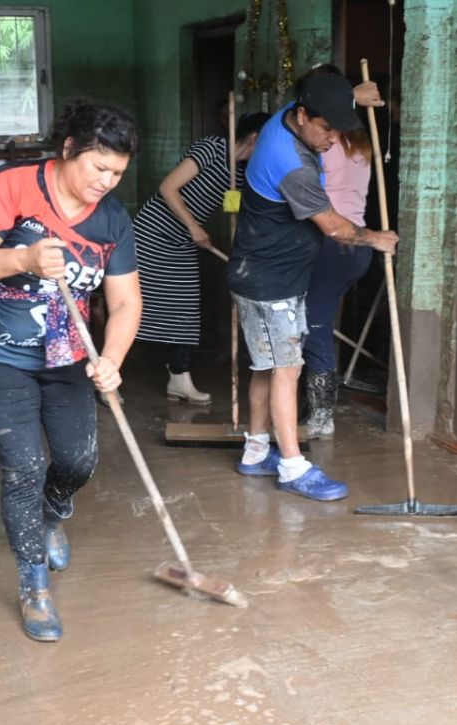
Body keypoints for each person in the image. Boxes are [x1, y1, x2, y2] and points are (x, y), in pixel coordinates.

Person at [0, 100, 141, 643]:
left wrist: (112, 359)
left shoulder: (111, 220)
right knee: (24, 464)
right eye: (97, 168)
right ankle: (35, 584)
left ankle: (52, 512)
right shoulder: (12, 188)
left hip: (67, 357)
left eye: (117, 173)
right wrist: (23, 260)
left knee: (78, 459)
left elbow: (126, 302)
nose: (105, 181)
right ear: (68, 151)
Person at [228, 70, 398, 501]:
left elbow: (315, 101)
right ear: (303, 116)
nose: (330, 139)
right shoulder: (291, 165)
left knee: (266, 366)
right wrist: (376, 237)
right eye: (326, 129)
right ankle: (292, 465)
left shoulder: (285, 117)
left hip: (260, 272)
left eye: (337, 128)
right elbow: (336, 228)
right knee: (288, 369)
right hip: (272, 280)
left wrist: (351, 97)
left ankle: (254, 451)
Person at [132, 111, 270, 404]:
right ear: (255, 138)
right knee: (135, 308)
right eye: (268, 141)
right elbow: (167, 187)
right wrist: (194, 226)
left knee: (185, 311)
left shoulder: (243, 174)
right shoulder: (212, 148)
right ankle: (108, 378)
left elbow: (231, 208)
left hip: (182, 243)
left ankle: (178, 379)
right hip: (151, 235)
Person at [301, 65, 374, 439]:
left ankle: (321, 416)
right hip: (357, 248)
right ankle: (311, 407)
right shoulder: (362, 141)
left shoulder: (321, 145)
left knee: (315, 327)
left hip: (332, 243)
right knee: (317, 322)